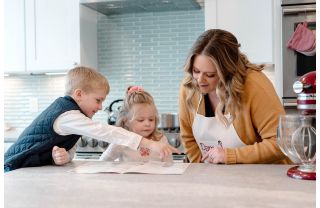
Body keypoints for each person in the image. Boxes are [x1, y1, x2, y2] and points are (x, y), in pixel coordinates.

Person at [4, 66, 178, 172]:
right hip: (13, 167)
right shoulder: (66, 114)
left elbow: (70, 151)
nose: (101, 106)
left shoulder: (75, 119)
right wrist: (149, 143)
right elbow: (104, 131)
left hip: (27, 169)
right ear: (79, 94)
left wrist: (63, 157)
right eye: (98, 100)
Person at [179, 29, 291, 164]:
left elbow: (280, 143)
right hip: (218, 179)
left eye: (210, 75)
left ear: (227, 71)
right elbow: (188, 138)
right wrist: (203, 170)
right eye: (196, 71)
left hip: (266, 178)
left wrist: (231, 156)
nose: (200, 80)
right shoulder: (190, 87)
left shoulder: (253, 85)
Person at [100, 86, 173, 163]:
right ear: (126, 122)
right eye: (141, 120)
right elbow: (102, 163)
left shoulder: (160, 139)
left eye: (151, 119)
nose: (147, 124)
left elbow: (169, 164)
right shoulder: (121, 141)